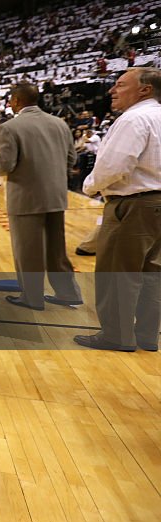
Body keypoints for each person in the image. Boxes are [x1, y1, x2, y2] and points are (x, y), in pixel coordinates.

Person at [76, 68, 161, 351]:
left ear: (144, 90)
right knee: (153, 274)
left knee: (117, 273)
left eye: (121, 84)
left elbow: (114, 166)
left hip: (134, 204)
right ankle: (148, 336)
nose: (112, 90)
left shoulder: (134, 118)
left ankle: (116, 335)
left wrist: (89, 186)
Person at [0, 84, 82, 310]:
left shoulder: (9, 127)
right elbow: (72, 159)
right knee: (57, 249)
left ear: (16, 101)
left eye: (11, 100)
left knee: (28, 251)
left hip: (26, 197)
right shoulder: (60, 123)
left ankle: (31, 298)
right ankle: (68, 293)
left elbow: (5, 165)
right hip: (56, 195)